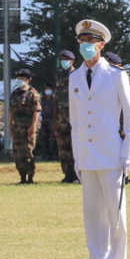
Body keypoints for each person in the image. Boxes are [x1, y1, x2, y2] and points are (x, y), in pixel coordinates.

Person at [69, 19, 130, 259]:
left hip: (112, 155)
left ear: (101, 44)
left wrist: (127, 154)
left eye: (90, 42)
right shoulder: (74, 77)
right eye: (82, 41)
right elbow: (76, 122)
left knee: (116, 215)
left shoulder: (117, 76)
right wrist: (77, 158)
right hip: (87, 157)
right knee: (92, 215)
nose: (85, 46)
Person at [10, 69, 41, 184]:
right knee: (18, 152)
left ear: (28, 80)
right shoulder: (15, 93)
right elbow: (11, 110)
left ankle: (30, 177)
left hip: (27, 127)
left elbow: (36, 112)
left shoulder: (33, 94)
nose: (20, 81)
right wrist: (9, 125)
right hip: (17, 127)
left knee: (28, 151)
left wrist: (33, 126)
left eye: (22, 79)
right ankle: (22, 177)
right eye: (18, 79)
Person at [54, 50, 78, 184]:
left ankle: (75, 174)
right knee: (63, 146)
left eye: (67, 59)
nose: (64, 61)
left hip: (74, 115)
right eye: (62, 59)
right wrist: (55, 118)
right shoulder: (58, 75)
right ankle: (67, 173)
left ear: (72, 61)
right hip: (62, 116)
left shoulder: (78, 74)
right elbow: (56, 98)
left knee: (75, 145)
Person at [37, 83, 57, 161]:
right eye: (46, 89)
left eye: (49, 89)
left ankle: (54, 156)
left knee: (53, 139)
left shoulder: (54, 99)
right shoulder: (42, 99)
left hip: (52, 120)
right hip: (44, 121)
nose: (47, 90)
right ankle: (45, 156)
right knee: (43, 139)